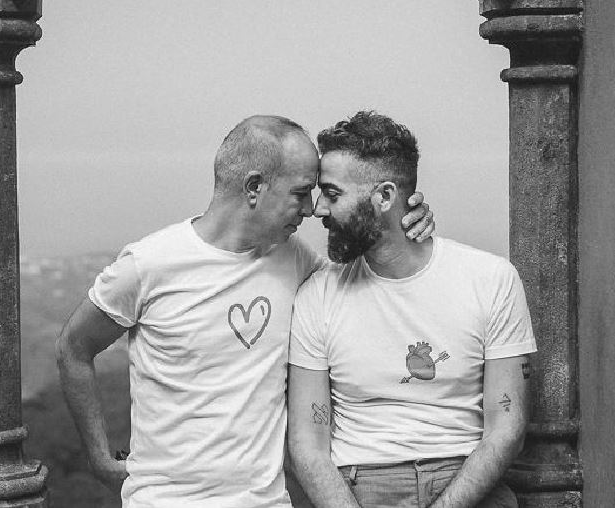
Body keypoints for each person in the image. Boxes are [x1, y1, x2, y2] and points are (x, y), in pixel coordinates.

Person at [55, 115, 435, 508]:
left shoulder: (294, 259)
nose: (310, 209)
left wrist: (403, 225)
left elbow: (367, 285)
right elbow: (73, 348)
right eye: (301, 192)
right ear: (254, 187)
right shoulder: (148, 264)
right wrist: (99, 458)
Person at [287, 111, 536, 508]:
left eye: (332, 195)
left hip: (465, 481)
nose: (318, 210)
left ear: (385, 197)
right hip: (359, 486)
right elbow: (307, 445)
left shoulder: (491, 279)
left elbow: (506, 429)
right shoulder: (317, 294)